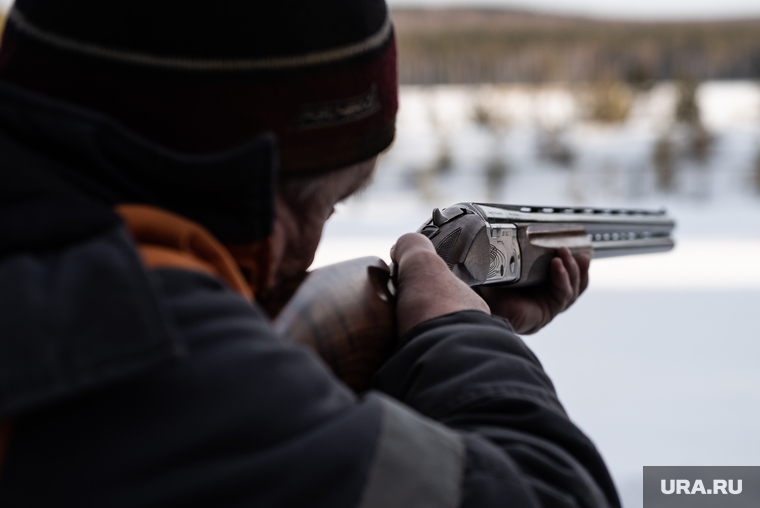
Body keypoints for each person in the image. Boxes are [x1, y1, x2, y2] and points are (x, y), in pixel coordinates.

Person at [0, 1, 620, 507]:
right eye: (330, 203)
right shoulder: (155, 348)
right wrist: (458, 336)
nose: (311, 248)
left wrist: (426, 364)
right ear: (253, 192)